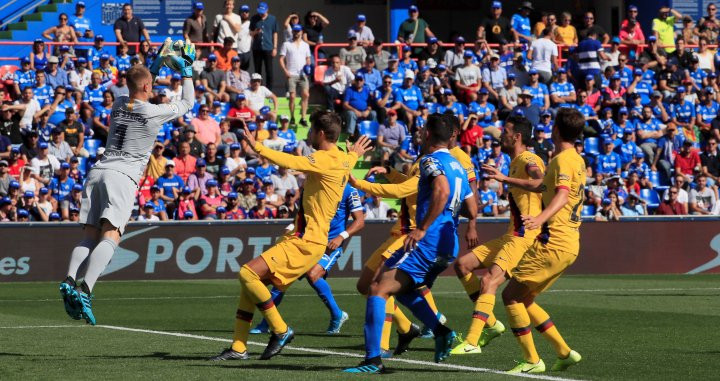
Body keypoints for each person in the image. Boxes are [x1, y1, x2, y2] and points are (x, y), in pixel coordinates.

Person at [209, 111, 370, 361]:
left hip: (306, 241)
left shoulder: (324, 159)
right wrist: (355, 152)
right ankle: (239, 347)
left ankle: (281, 330)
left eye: (311, 130)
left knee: (247, 274)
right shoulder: (344, 158)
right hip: (306, 239)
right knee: (252, 286)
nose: (307, 135)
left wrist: (256, 146)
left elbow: (290, 162)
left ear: (321, 134)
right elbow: (350, 158)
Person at [59, 40, 196, 325]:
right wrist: (187, 72)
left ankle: (70, 279)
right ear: (148, 87)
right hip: (122, 177)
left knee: (89, 235)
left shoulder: (120, 102)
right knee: (112, 236)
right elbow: (187, 103)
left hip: (98, 171)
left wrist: (154, 68)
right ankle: (86, 289)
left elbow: (141, 86)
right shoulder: (151, 113)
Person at [342, 115, 477, 373]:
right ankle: (440, 331)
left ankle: (373, 360)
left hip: (429, 240)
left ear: (427, 134)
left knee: (377, 288)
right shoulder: (458, 165)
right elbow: (471, 208)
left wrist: (423, 227)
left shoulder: (429, 160)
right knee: (402, 290)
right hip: (449, 244)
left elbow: (442, 191)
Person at [499, 107, 585, 373]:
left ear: (556, 130)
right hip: (570, 243)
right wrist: (506, 178)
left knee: (510, 296)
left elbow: (559, 195)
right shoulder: (576, 159)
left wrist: (539, 218)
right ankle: (564, 352)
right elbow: (541, 186)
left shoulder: (561, 161)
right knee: (525, 299)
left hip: (553, 242)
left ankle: (532, 361)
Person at [451, 115, 544, 353]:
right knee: (462, 265)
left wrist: (505, 178)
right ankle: (491, 324)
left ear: (517, 136)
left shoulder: (528, 159)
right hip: (510, 234)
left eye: (506, 131)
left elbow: (540, 181)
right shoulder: (514, 161)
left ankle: (472, 340)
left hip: (524, 235)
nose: (501, 134)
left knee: (489, 281)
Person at [251, 183, 365, 334]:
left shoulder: (350, 191)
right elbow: (301, 214)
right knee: (282, 278)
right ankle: (267, 323)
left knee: (313, 274)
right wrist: (291, 228)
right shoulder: (313, 185)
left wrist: (340, 237)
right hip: (307, 241)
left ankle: (337, 314)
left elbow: (360, 221)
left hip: (330, 244)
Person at [279, 24, 311, 126]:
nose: (296, 33)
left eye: (298, 31)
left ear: (301, 32)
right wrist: (285, 70)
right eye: (295, 31)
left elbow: (308, 58)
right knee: (292, 96)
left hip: (302, 74)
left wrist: (308, 65)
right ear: (292, 32)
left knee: (306, 94)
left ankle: (303, 117)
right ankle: (292, 116)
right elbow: (281, 59)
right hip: (291, 74)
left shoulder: (305, 45)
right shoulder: (286, 44)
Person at [250, 2, 278, 89]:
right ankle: (258, 89)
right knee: (257, 71)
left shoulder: (272, 19)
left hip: (268, 47)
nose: (261, 13)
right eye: (259, 11)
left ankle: (269, 91)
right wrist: (255, 32)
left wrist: (275, 47)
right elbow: (250, 33)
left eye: (263, 11)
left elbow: (275, 33)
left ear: (267, 10)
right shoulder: (254, 18)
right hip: (257, 48)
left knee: (269, 71)